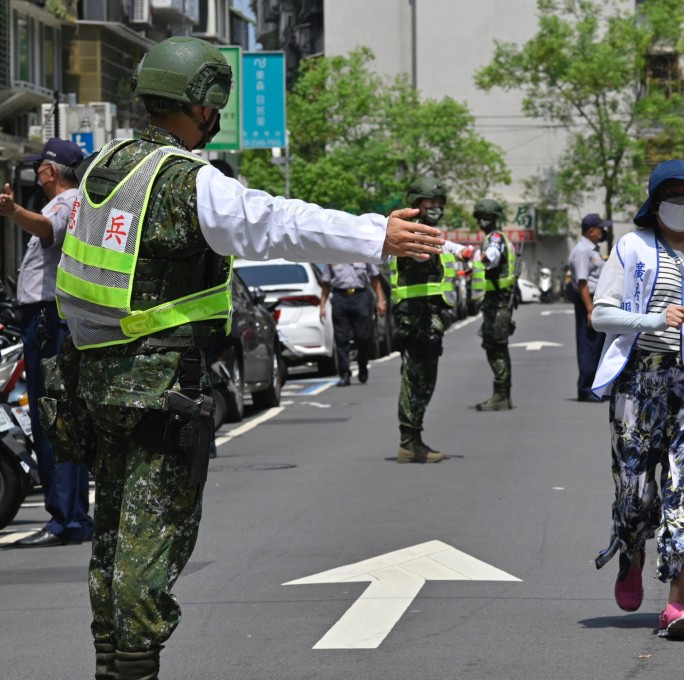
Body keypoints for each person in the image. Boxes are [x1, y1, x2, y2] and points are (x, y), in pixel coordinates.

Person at [43, 36, 444, 680]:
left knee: (113, 541)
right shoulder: (188, 181)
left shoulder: (105, 166)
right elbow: (272, 222)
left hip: (97, 386)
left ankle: (109, 664)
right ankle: (131, 671)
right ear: (204, 103)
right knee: (148, 548)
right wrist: (376, 234)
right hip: (159, 391)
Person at [590, 160, 684, 639]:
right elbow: (600, 315)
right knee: (634, 491)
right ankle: (632, 552)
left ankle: (677, 604)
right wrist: (653, 321)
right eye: (674, 195)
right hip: (640, 383)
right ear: (656, 204)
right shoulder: (631, 247)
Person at [0, 138, 94, 548]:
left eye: (40, 167)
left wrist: (12, 211)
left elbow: (48, 228)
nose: (36, 173)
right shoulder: (74, 202)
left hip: (47, 320)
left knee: (52, 418)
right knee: (60, 419)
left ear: (51, 171)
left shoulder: (65, 202)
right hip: (48, 319)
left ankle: (66, 519)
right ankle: (71, 517)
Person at [390, 177, 471, 463]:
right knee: (415, 379)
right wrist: (450, 248)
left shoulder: (422, 232)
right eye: (430, 203)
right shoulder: (413, 234)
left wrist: (457, 250)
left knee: (425, 378)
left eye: (439, 203)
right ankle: (409, 443)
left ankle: (414, 439)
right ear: (416, 203)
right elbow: (426, 253)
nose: (436, 207)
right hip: (415, 317)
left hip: (425, 315)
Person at [471, 198, 517, 411]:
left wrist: (486, 258)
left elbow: (493, 254)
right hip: (497, 301)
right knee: (498, 346)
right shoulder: (496, 237)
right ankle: (503, 394)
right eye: (480, 217)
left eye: (487, 217)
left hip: (497, 302)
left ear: (495, 219)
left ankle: (501, 394)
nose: (482, 221)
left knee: (495, 347)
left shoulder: (495, 238)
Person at [320, 262, 386, 385]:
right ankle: (344, 373)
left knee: (363, 336)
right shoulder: (332, 257)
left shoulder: (362, 253)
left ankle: (362, 365)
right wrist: (322, 306)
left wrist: (380, 300)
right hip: (340, 298)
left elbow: (375, 279)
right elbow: (326, 284)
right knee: (341, 338)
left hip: (361, 296)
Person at [569, 213, 608, 401]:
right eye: (601, 228)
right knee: (589, 345)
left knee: (598, 344)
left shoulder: (592, 249)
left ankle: (595, 387)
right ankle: (586, 389)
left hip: (597, 299)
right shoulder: (582, 251)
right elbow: (583, 282)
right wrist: (590, 310)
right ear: (591, 230)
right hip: (588, 300)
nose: (603, 231)